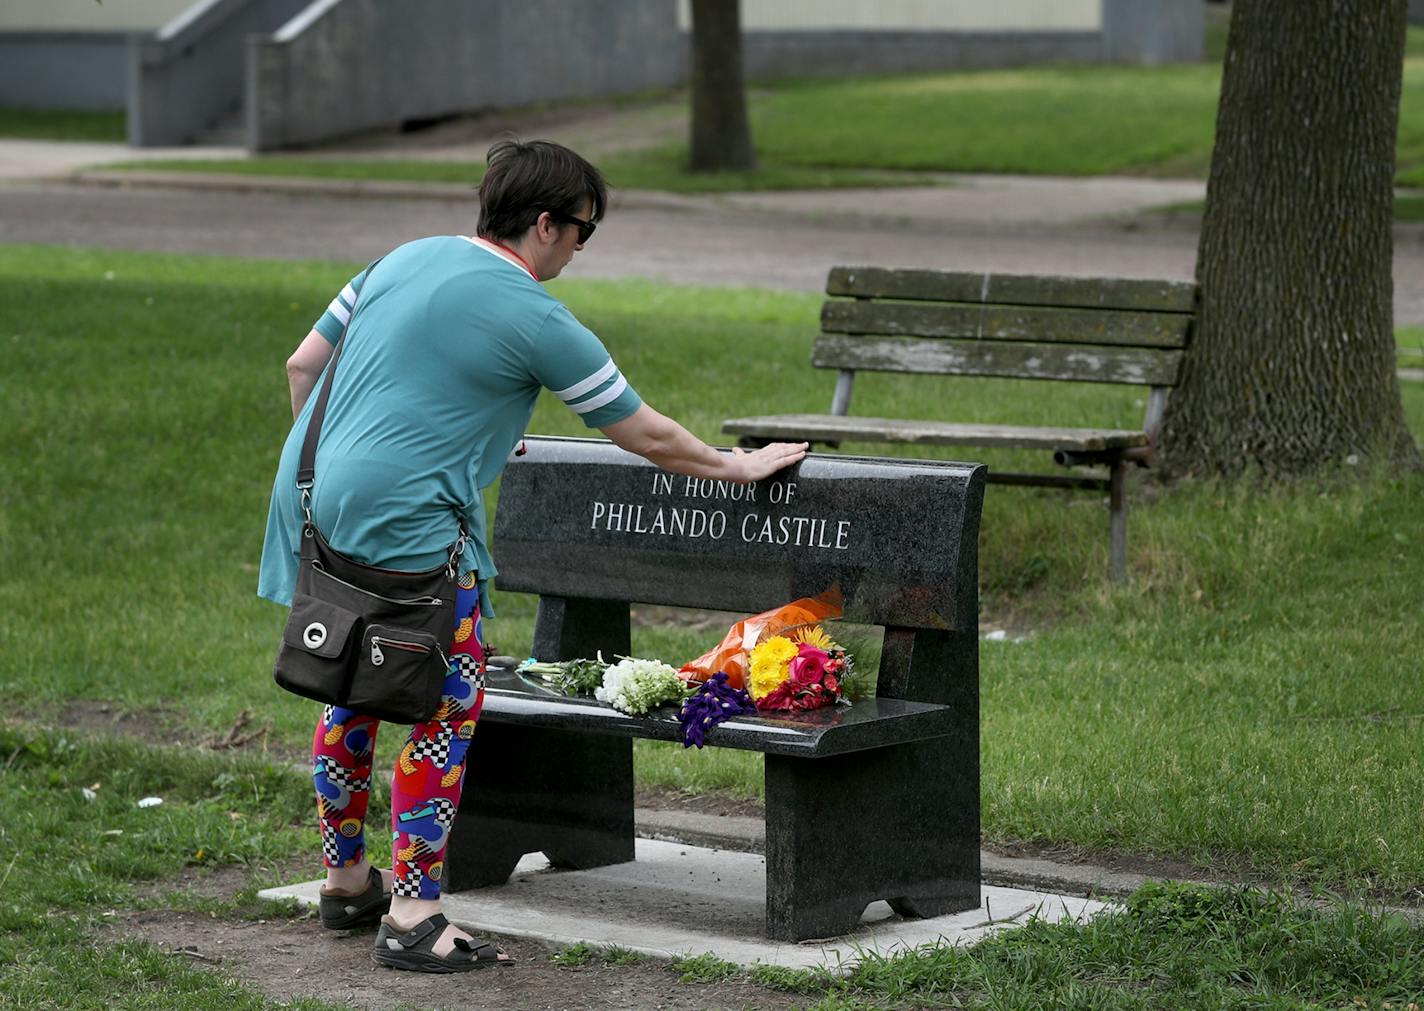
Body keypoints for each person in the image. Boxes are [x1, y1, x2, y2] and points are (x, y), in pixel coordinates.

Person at [258, 138, 807, 973]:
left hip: (313, 501)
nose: (580, 252)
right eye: (583, 233)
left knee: (348, 682)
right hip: (413, 526)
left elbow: (306, 366)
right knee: (443, 709)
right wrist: (738, 463)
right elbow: (647, 433)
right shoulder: (535, 315)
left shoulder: (400, 258)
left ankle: (345, 880)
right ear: (546, 224)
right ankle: (413, 915)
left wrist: (359, 467)